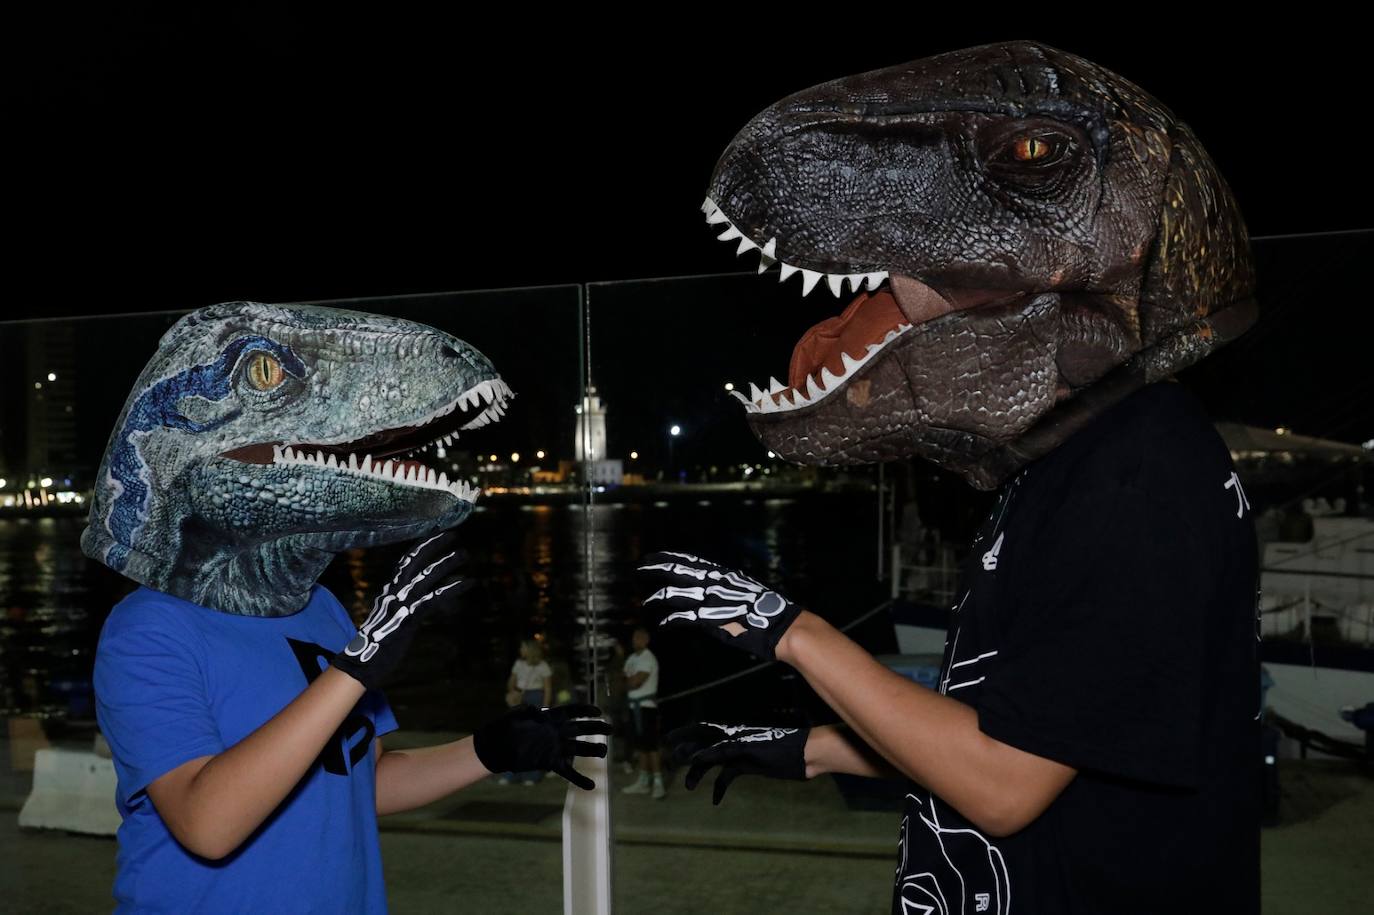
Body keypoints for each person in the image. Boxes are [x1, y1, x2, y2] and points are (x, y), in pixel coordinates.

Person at [647, 381, 1261, 914]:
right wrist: (818, 749)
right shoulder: (1071, 455)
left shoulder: (1132, 472)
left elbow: (1003, 785)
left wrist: (792, 632)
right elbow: (1042, 734)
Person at [95, 532, 611, 913]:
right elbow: (206, 824)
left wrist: (487, 751)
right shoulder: (150, 624)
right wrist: (355, 667)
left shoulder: (318, 606)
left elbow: (362, 780)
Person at [499, 639, 555, 785]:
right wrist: (513, 692)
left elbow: (548, 688)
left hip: (535, 697)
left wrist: (545, 707)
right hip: (520, 698)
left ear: (530, 650)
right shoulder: (519, 664)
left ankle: (531, 775)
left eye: (523, 647)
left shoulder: (543, 666)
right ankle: (511, 774)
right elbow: (511, 682)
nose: (520, 650)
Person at [620, 626, 664, 799]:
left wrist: (627, 681)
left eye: (639, 638)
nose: (635, 641)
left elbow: (636, 682)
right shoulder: (631, 658)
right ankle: (644, 781)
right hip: (633, 707)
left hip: (646, 707)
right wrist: (627, 681)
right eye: (634, 637)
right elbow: (622, 681)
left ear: (646, 640)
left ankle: (658, 783)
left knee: (652, 746)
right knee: (640, 746)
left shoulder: (648, 658)